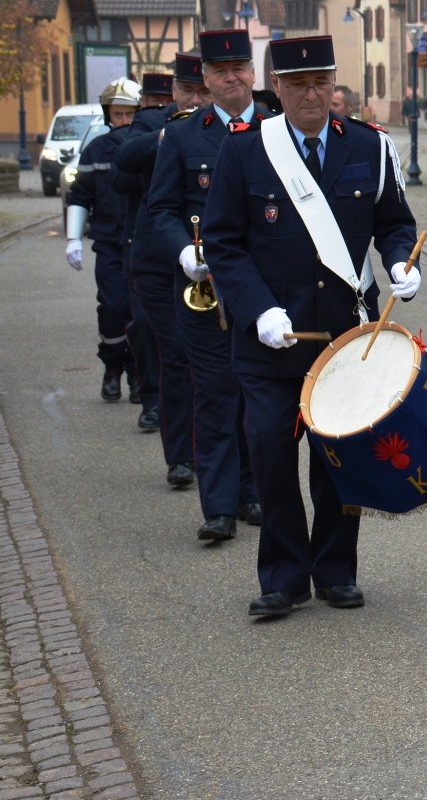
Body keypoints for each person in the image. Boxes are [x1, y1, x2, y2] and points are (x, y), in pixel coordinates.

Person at [204, 34, 420, 617]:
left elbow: (394, 220)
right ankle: (283, 576)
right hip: (273, 338)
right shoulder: (247, 151)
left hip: (344, 335)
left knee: (337, 460)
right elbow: (222, 243)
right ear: (276, 88)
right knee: (271, 453)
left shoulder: (369, 148)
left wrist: (402, 261)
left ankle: (334, 570)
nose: (312, 95)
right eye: (298, 85)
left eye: (321, 82)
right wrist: (256, 309)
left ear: (335, 84)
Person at [149, 30, 273, 542]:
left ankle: (253, 491)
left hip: (265, 293)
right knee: (218, 394)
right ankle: (219, 506)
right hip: (205, 292)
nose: (232, 78)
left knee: (259, 396)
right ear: (205, 78)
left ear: (253, 73)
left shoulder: (277, 129)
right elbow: (159, 209)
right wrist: (184, 253)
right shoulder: (181, 136)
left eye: (240, 68)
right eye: (220, 71)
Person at [115, 57, 209, 489]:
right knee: (178, 356)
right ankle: (182, 456)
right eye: (188, 91)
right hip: (158, 260)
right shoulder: (151, 121)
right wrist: (169, 132)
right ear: (173, 90)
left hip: (216, 258)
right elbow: (125, 160)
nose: (195, 99)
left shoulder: (226, 126)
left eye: (201, 91)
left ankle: (223, 457)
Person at [65, 78, 143, 406]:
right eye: (118, 115)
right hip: (109, 243)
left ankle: (138, 371)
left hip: (140, 243)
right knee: (112, 307)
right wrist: (73, 238)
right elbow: (80, 195)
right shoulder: (96, 150)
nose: (123, 122)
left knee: (139, 312)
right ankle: (112, 368)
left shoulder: (149, 146)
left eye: (130, 115)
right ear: (108, 114)